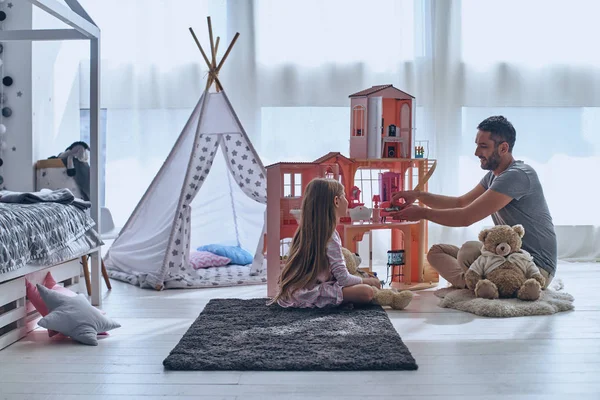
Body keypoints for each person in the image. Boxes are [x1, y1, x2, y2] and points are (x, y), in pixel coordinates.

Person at [390, 115, 557, 289]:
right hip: (503, 256)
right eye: (477, 145)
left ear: (503, 148)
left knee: (468, 251)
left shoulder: (517, 175)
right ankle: (478, 283)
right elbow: (461, 202)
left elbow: (465, 217)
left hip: (534, 268)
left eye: (483, 146)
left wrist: (422, 213)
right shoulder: (494, 175)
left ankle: (478, 283)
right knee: (437, 252)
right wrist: (418, 196)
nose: (477, 153)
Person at [269, 178, 381, 308]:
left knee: (363, 286)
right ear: (336, 201)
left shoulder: (304, 231)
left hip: (297, 291)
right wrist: (368, 281)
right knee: (366, 291)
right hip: (313, 292)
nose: (347, 201)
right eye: (344, 196)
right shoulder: (330, 235)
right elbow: (343, 278)